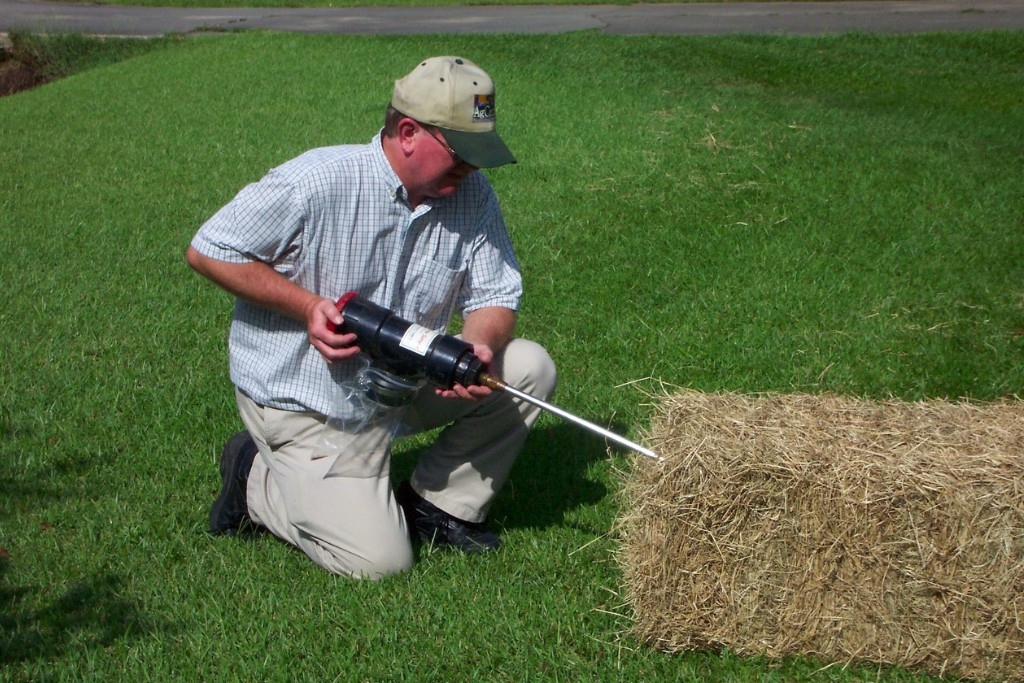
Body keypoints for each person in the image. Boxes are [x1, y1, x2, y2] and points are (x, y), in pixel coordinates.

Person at [186, 56, 557, 580]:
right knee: (381, 563)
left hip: (397, 387)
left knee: (525, 368)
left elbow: (496, 293)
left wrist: (477, 345)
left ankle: (438, 507)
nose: (470, 170)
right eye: (459, 155)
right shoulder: (316, 181)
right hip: (307, 403)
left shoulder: (470, 195)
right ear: (408, 132)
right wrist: (308, 306)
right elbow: (209, 248)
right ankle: (254, 480)